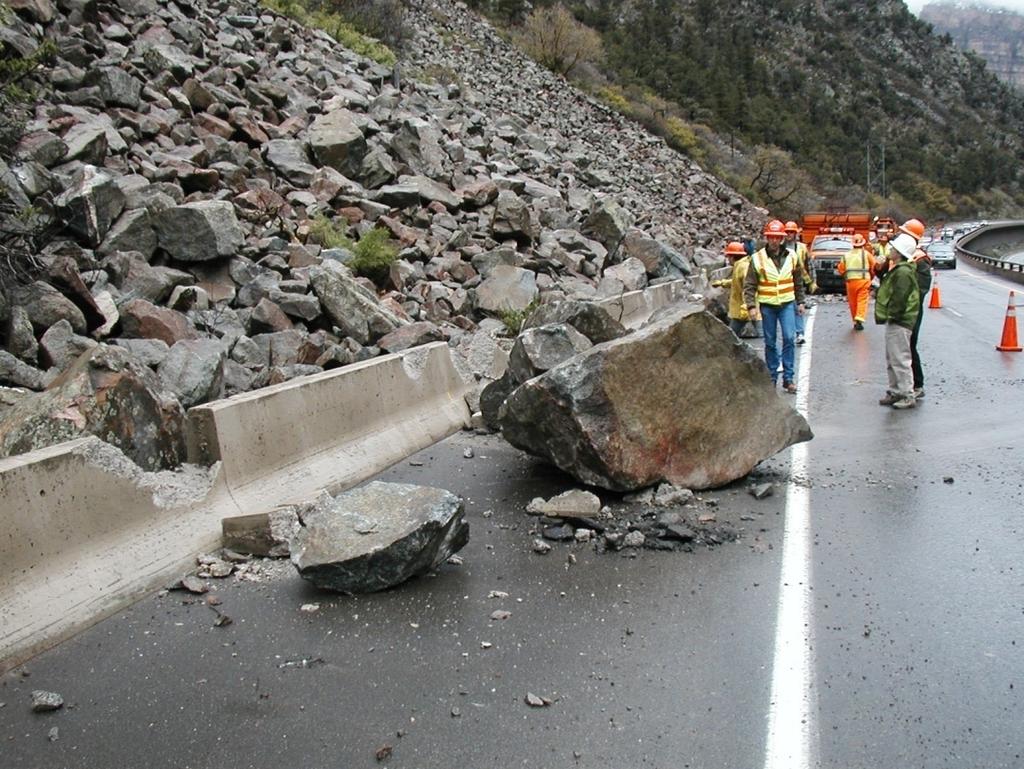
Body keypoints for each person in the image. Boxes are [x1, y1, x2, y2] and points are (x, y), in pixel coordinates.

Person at [744, 219, 806, 393]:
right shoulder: (757, 259)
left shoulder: (792, 257)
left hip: (787, 303)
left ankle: (788, 378)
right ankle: (772, 376)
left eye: (777, 237)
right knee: (770, 342)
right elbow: (750, 285)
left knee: (788, 337)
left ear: (782, 239)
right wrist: (751, 306)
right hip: (767, 305)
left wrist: (800, 301)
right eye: (771, 237)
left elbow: (798, 281)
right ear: (767, 238)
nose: (774, 241)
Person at [875, 231, 921, 409]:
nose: (891, 250)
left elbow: (900, 297)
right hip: (898, 320)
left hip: (899, 320)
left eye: (894, 248)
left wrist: (892, 315)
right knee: (893, 357)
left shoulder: (902, 273)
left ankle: (906, 394)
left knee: (900, 358)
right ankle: (896, 391)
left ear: (900, 253)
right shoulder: (900, 270)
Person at [713, 240, 762, 338]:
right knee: (732, 334)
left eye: (728, 257)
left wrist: (745, 306)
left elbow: (747, 287)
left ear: (732, 256)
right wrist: (722, 283)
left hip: (744, 309)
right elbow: (736, 282)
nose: (727, 259)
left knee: (733, 335)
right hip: (741, 310)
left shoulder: (743, 267)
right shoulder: (740, 265)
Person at [784, 221, 814, 344]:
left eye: (792, 232)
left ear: (796, 234)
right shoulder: (779, 247)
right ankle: (789, 333)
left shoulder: (802, 247)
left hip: (798, 281)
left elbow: (809, 265)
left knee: (798, 306)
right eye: (787, 232)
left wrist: (812, 282)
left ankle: (799, 333)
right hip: (784, 281)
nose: (789, 234)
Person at [837, 233, 874, 330]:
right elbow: (874, 266)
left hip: (850, 282)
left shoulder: (846, 255)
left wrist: (845, 275)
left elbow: (841, 269)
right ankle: (859, 318)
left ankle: (855, 319)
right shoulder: (866, 254)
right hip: (863, 280)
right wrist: (872, 276)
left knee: (853, 301)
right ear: (863, 244)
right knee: (862, 300)